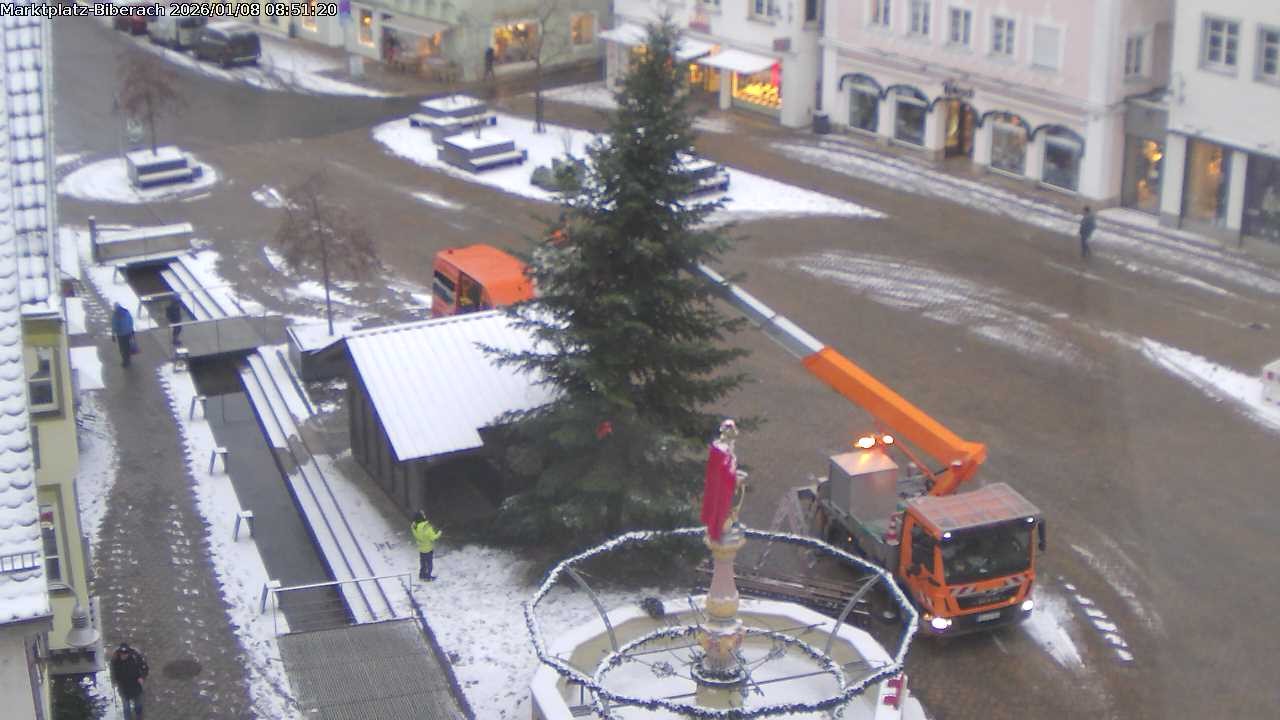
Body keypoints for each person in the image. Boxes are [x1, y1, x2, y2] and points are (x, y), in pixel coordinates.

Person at [110, 642, 149, 720]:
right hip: (123, 688)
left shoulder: (136, 658)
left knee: (138, 706)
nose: (123, 655)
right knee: (126, 708)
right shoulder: (115, 660)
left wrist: (142, 677)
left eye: (125, 653)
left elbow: (145, 668)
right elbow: (113, 672)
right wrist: (113, 681)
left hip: (136, 686)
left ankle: (139, 717)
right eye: (122, 653)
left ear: (129, 653)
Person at [411, 510, 442, 581]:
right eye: (423, 514)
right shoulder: (426, 527)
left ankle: (422, 575)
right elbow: (433, 537)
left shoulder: (413, 525)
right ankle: (428, 577)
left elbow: (420, 532)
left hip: (421, 548)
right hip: (428, 549)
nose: (425, 515)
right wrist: (439, 533)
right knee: (429, 564)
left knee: (423, 563)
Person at [111, 303, 136, 368]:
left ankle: (125, 361)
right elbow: (131, 321)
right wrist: (131, 329)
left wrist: (113, 335)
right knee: (128, 346)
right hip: (128, 332)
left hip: (120, 334)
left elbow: (114, 325)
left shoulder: (115, 315)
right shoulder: (126, 312)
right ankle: (128, 359)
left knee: (122, 348)